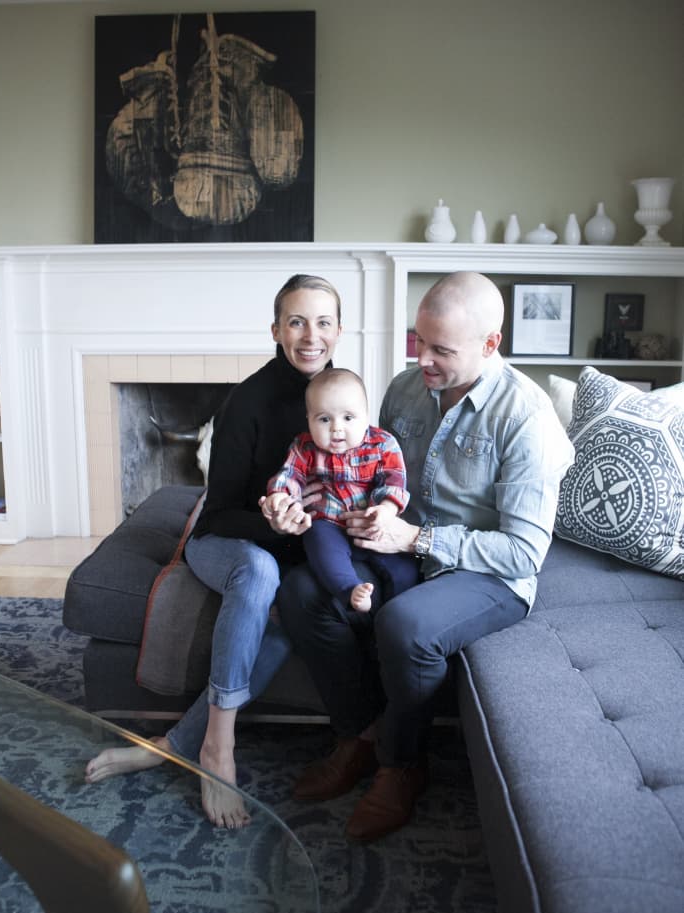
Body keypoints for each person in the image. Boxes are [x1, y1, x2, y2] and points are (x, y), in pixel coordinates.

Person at [271, 271, 575, 843]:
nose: (423, 360)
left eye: (442, 350)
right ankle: (358, 735)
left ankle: (401, 764)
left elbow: (523, 553)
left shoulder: (526, 417)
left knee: (404, 624)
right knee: (300, 591)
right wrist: (323, 498)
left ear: (490, 343)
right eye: (419, 341)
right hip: (397, 545)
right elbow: (372, 467)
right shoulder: (406, 389)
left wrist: (414, 539)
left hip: (485, 572)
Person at [85, 273, 343, 829]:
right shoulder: (247, 402)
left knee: (290, 614)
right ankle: (218, 751)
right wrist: (274, 523)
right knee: (258, 571)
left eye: (323, 322)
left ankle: (173, 743)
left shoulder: (343, 398)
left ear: (339, 331)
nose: (310, 336)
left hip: (298, 546)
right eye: (297, 322)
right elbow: (219, 510)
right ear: (276, 330)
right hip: (225, 540)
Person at [263, 368, 419, 613]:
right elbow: (290, 474)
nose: (336, 428)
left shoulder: (382, 444)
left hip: (372, 521)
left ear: (365, 416)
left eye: (348, 418)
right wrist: (281, 496)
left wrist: (386, 510)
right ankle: (349, 589)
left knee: (404, 571)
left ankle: (398, 610)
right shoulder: (304, 447)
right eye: (324, 419)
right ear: (309, 419)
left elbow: (394, 480)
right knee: (319, 543)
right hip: (329, 524)